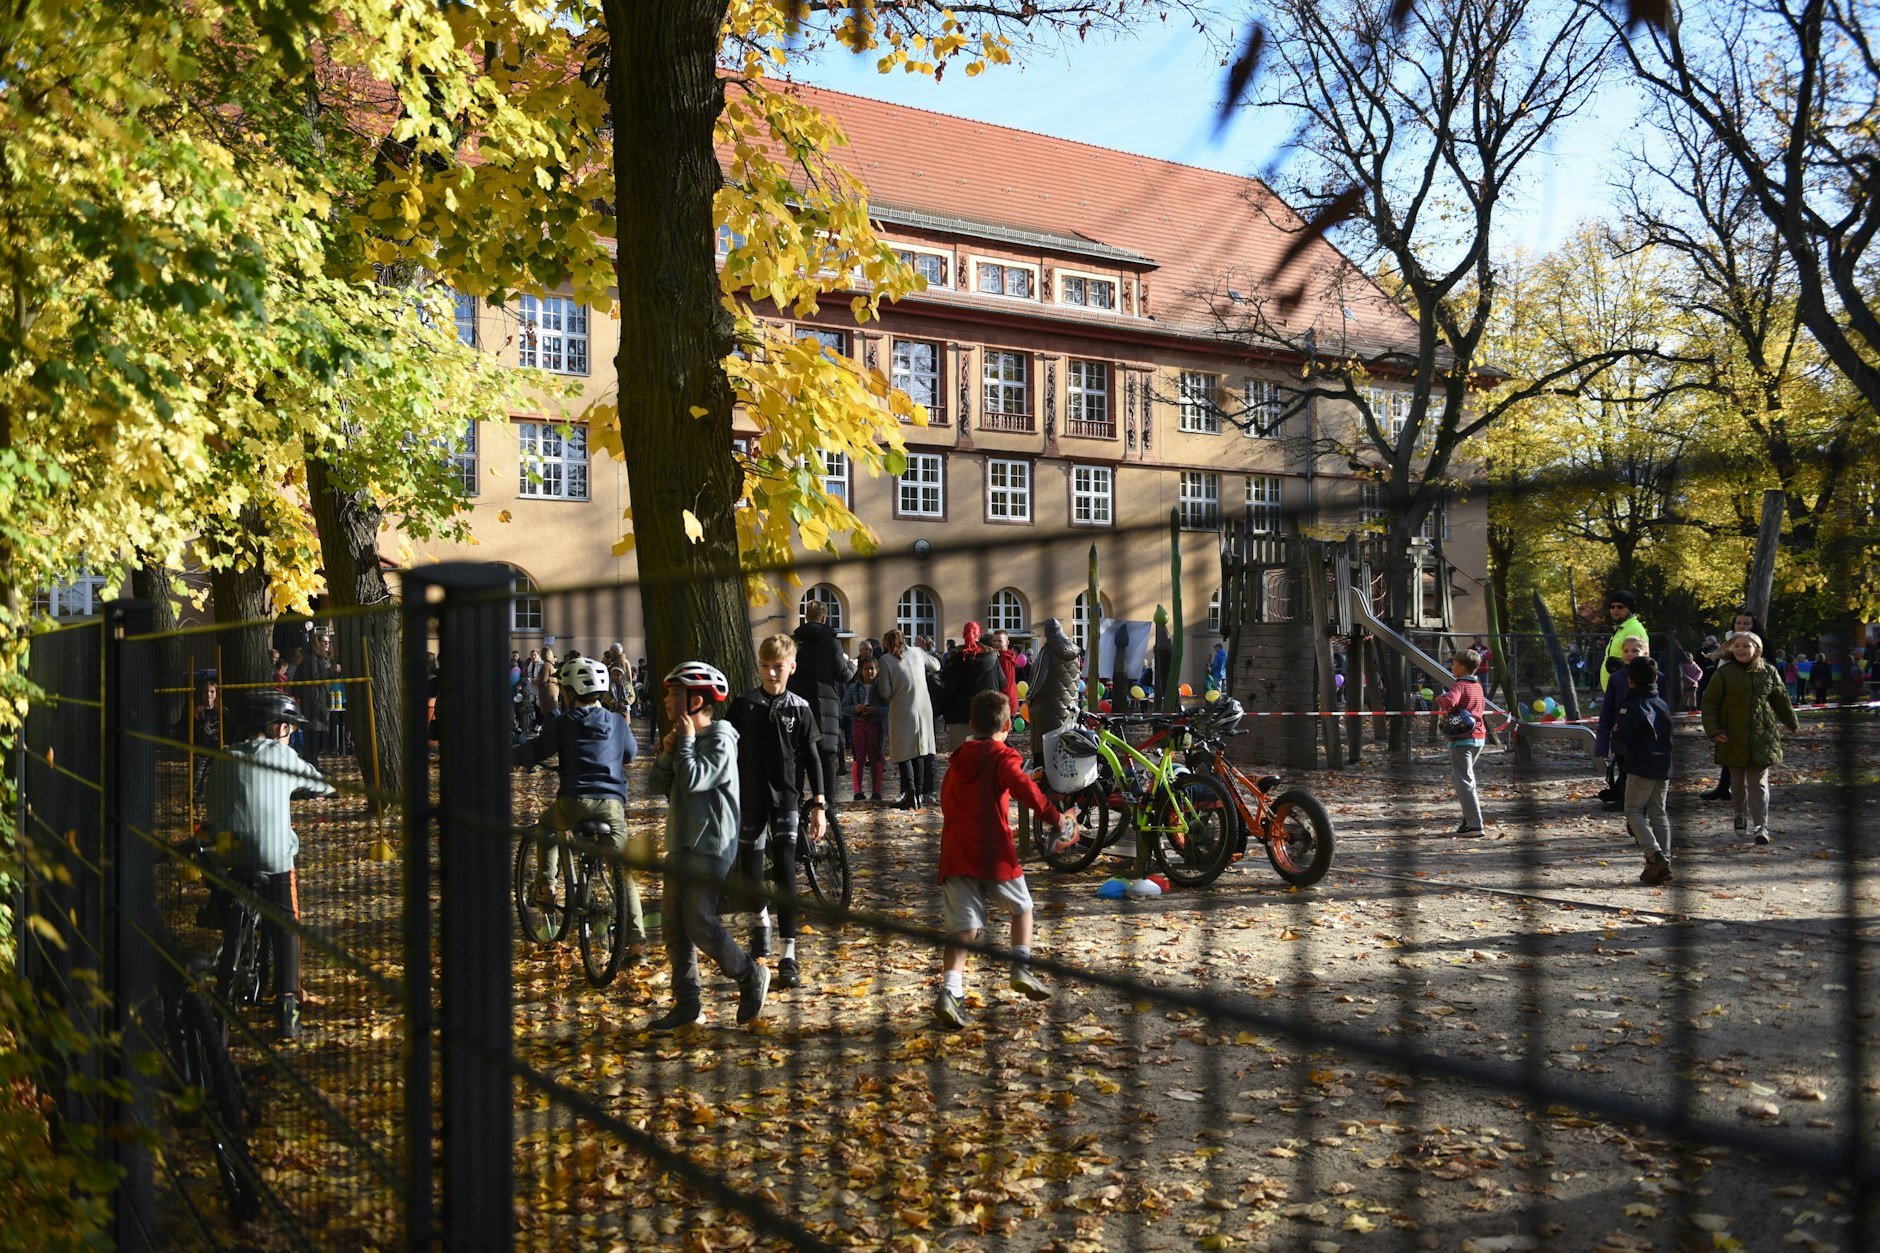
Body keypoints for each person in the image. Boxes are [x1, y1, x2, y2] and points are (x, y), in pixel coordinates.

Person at [202, 691, 337, 1038]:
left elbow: (211, 803)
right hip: (270, 857)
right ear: (279, 728)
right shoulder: (281, 755)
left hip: (226, 852)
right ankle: (288, 1006)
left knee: (208, 846)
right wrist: (325, 789)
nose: (292, 732)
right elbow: (318, 782)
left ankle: (219, 904)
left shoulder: (223, 756)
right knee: (287, 925)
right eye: (291, 727)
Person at [931, 690, 1068, 1029]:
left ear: (971, 724)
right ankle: (1021, 966)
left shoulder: (956, 763)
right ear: (1008, 726)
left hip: (956, 852)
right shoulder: (1001, 758)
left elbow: (946, 803)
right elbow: (1025, 789)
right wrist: (1055, 818)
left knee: (963, 929)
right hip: (994, 851)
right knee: (1022, 908)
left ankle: (951, 991)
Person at [647, 661, 768, 1030]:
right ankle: (688, 1005)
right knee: (674, 929)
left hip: (710, 846)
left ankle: (749, 973)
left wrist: (683, 744)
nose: (666, 700)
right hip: (680, 844)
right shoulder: (686, 740)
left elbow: (695, 779)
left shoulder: (720, 739)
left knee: (699, 922)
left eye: (674, 693)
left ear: (696, 701)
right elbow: (656, 784)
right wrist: (669, 751)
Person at [514, 656, 645, 959]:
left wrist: (512, 756)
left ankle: (547, 885)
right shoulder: (616, 721)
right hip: (612, 805)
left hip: (574, 801)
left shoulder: (563, 722)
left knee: (547, 827)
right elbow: (630, 753)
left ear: (570, 692)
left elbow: (537, 750)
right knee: (622, 870)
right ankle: (637, 944)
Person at [726, 635, 827, 990]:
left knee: (786, 873)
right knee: (750, 876)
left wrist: (819, 805)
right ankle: (761, 921)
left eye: (778, 667)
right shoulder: (743, 704)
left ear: (792, 667)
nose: (771, 673)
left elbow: (813, 758)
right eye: (765, 666)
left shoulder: (800, 708)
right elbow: (725, 748)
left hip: (786, 800)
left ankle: (789, 955)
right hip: (749, 800)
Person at [1701, 631, 1799, 845]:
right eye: (1737, 645)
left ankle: (1760, 826)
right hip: (1731, 737)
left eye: (1746, 645)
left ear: (1757, 649)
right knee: (1737, 785)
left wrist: (1792, 723)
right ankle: (1739, 814)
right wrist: (1714, 730)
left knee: (1758, 784)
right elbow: (1709, 703)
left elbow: (1781, 699)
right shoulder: (1724, 674)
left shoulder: (1768, 671)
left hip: (1761, 736)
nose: (1740, 649)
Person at [1612, 655, 1675, 884]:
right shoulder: (1662, 704)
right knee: (1659, 812)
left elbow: (1621, 736)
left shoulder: (1631, 706)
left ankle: (1654, 854)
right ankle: (1662, 864)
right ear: (1656, 679)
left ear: (1629, 681)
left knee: (1633, 811)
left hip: (1641, 765)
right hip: (1663, 765)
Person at [788, 601, 856, 803]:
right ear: (824, 618)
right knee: (826, 756)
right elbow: (843, 674)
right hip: (825, 706)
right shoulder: (832, 643)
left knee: (798, 756)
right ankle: (827, 806)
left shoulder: (794, 642)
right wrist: (852, 666)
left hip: (798, 705)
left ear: (806, 617)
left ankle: (796, 805)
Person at [873, 628, 941, 809]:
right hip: (924, 707)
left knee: (903, 752)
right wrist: (925, 651)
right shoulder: (918, 652)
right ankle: (918, 794)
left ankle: (911, 793)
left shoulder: (885, 660)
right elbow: (936, 666)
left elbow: (885, 691)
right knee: (919, 750)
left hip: (902, 708)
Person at [1700, 609, 1759, 801]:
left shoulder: (1760, 646)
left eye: (1746, 624)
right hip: (1727, 702)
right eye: (1738, 623)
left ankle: (1747, 789)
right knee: (1727, 744)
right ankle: (1724, 786)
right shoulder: (1729, 643)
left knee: (1747, 749)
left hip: (1749, 705)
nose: (1742, 626)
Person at [1432, 649, 1487, 837]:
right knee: (1460, 779)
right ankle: (1468, 820)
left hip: (1463, 739)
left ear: (1462, 668)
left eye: (1454, 665)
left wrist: (1439, 698)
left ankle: (1474, 824)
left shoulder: (1460, 685)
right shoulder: (1477, 686)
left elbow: (1449, 702)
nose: (1451, 668)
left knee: (1464, 781)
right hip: (1478, 737)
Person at [1595, 635, 1651, 811]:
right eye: (1626, 650)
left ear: (1645, 653)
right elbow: (1607, 712)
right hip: (1622, 734)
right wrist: (1602, 744)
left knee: (1644, 769)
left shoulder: (1657, 677)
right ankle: (1623, 799)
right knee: (1624, 767)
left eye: (1635, 650)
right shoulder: (1616, 679)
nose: (1629, 654)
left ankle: (1646, 801)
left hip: (1647, 735)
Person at [939, 621, 1004, 751]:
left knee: (963, 758)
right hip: (988, 715)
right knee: (987, 756)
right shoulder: (992, 657)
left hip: (961, 716)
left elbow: (950, 690)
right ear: (979, 635)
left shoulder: (957, 659)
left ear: (963, 635)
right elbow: (1002, 682)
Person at [1025, 617, 1083, 748]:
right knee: (1063, 747)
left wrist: (1029, 697)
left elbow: (1039, 678)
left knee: (1045, 748)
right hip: (1070, 706)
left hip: (1048, 709)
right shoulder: (1075, 653)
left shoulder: (1047, 651)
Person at [843, 655, 886, 802]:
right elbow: (844, 706)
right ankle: (857, 791)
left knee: (876, 757)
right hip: (858, 724)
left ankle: (876, 792)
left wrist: (876, 710)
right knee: (859, 757)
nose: (869, 672)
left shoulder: (881, 689)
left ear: (877, 670)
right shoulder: (854, 688)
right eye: (866, 669)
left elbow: (889, 708)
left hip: (875, 725)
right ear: (861, 670)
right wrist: (855, 709)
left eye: (872, 668)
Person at [184, 677, 222, 804]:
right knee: (198, 776)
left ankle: (217, 799)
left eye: (212, 691)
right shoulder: (196, 711)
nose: (209, 694)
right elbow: (188, 730)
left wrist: (228, 742)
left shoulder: (221, 711)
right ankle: (193, 799)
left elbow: (232, 727)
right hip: (201, 751)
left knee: (219, 775)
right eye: (206, 692)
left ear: (216, 693)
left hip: (216, 750)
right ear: (201, 694)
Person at [1601, 591, 1649, 692]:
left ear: (1629, 608)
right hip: (1616, 691)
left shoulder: (1633, 629)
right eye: (1612, 607)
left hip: (1626, 691)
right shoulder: (1620, 629)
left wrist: (1621, 666)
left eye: (1620, 606)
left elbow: (1640, 663)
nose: (1615, 610)